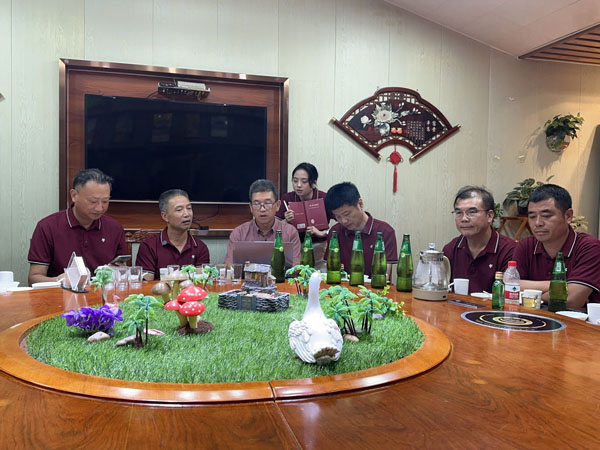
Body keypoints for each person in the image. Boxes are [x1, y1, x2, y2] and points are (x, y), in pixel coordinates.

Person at [27, 168, 127, 285]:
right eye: (93, 201)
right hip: (62, 293)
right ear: (74, 195)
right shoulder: (47, 227)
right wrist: (59, 281)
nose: (100, 208)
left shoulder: (115, 228)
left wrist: (116, 272)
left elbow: (123, 272)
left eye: (105, 201)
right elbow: (34, 278)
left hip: (102, 293)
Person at [513, 184, 600, 309]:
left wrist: (528, 294)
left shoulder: (590, 247)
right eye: (532, 217)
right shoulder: (526, 245)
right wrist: (559, 286)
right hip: (532, 318)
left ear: (568, 216)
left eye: (546, 216)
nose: (538, 223)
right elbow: (509, 286)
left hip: (576, 320)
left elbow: (571, 300)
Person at [443, 186, 516, 293]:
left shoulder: (509, 250)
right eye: (459, 213)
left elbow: (511, 294)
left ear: (489, 216)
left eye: (471, 212)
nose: (464, 219)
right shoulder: (450, 249)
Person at [324, 182, 397, 277]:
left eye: (347, 214)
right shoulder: (335, 232)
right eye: (338, 217)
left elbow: (385, 275)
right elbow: (330, 270)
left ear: (360, 204)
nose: (344, 221)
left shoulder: (384, 232)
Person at [135, 189, 210, 279]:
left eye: (189, 208)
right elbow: (146, 283)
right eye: (179, 210)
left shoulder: (200, 247)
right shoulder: (149, 246)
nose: (187, 214)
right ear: (165, 216)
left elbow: (201, 282)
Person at [225, 179, 301, 265]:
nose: (262, 209)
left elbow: (296, 267)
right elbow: (228, 266)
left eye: (267, 203)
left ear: (277, 205)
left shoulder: (290, 232)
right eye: (257, 204)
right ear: (251, 207)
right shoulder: (239, 233)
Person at [275, 162, 334, 269]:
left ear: (314, 183)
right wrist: (286, 221)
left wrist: (322, 233)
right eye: (295, 181)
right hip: (293, 248)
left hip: (318, 248)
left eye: (304, 181)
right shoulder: (287, 198)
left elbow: (342, 223)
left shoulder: (324, 198)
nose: (298, 185)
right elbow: (274, 227)